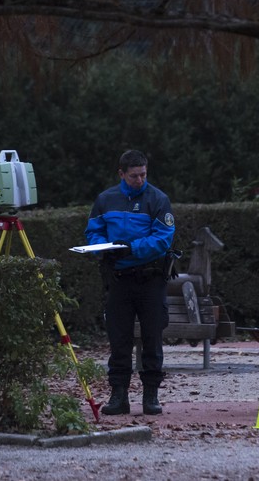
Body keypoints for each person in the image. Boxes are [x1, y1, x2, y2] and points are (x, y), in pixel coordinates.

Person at [84, 149, 175, 415]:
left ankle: (151, 397)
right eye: (134, 175)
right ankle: (118, 396)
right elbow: (93, 232)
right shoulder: (106, 199)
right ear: (121, 174)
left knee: (152, 338)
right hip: (119, 280)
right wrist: (104, 247)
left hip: (150, 279)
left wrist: (131, 248)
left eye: (143, 175)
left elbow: (163, 238)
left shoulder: (158, 199)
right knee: (119, 340)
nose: (139, 180)